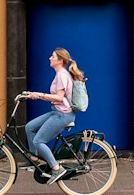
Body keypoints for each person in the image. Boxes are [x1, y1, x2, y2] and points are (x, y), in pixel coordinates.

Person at [20, 48, 86, 184]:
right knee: (30, 127)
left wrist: (39, 95)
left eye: (53, 56)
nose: (50, 58)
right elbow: (56, 98)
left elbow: (59, 97)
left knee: (38, 141)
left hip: (63, 115)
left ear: (60, 61)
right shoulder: (60, 74)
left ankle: (57, 168)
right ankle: (35, 159)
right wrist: (31, 94)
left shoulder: (62, 75)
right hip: (57, 112)